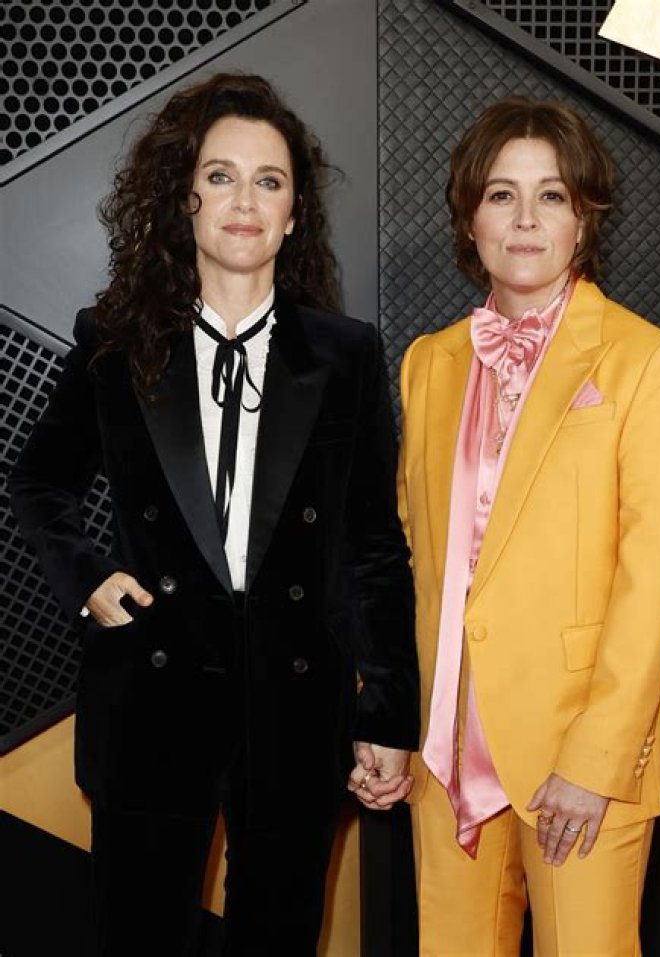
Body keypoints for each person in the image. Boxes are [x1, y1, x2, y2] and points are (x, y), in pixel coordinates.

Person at [9, 71, 419, 957]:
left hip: (297, 706)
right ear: (184, 195)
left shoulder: (344, 353)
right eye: (221, 175)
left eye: (269, 181)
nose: (245, 201)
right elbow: (38, 482)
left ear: (295, 212)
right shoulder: (115, 339)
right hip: (149, 696)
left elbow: (373, 546)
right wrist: (87, 578)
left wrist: (389, 714)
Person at [397, 95, 660, 956]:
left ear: (584, 218)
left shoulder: (649, 359)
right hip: (443, 751)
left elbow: (656, 581)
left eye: (552, 195)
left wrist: (596, 759)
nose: (526, 219)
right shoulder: (428, 363)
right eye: (502, 194)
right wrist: (387, 717)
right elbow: (411, 554)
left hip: (581, 755)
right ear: (470, 218)